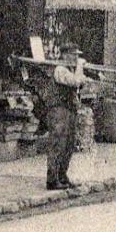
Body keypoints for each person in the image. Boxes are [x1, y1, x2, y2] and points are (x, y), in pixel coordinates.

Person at [35, 43, 92, 191]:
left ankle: (62, 175)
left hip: (69, 109)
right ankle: (52, 179)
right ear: (65, 55)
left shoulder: (69, 69)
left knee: (69, 144)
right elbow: (74, 81)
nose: (76, 58)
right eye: (74, 55)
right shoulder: (60, 69)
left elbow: (77, 83)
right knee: (58, 143)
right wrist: (80, 69)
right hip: (58, 110)